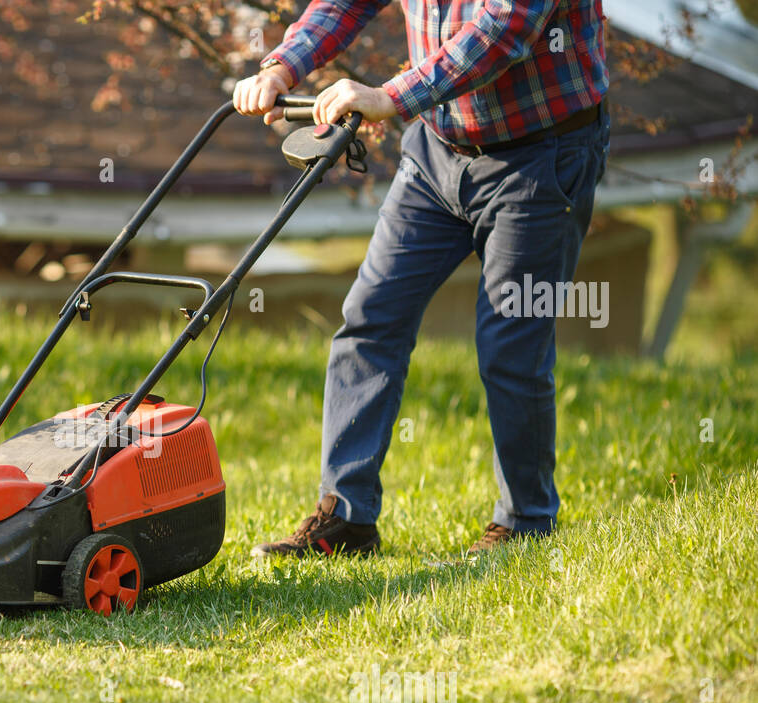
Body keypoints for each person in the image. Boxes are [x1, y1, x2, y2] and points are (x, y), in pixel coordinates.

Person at [232, 0, 610, 558]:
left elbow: (504, 28)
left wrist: (391, 96)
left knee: (512, 343)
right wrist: (284, 65)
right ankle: (348, 519)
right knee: (372, 317)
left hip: (541, 157)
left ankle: (527, 522)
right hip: (436, 154)